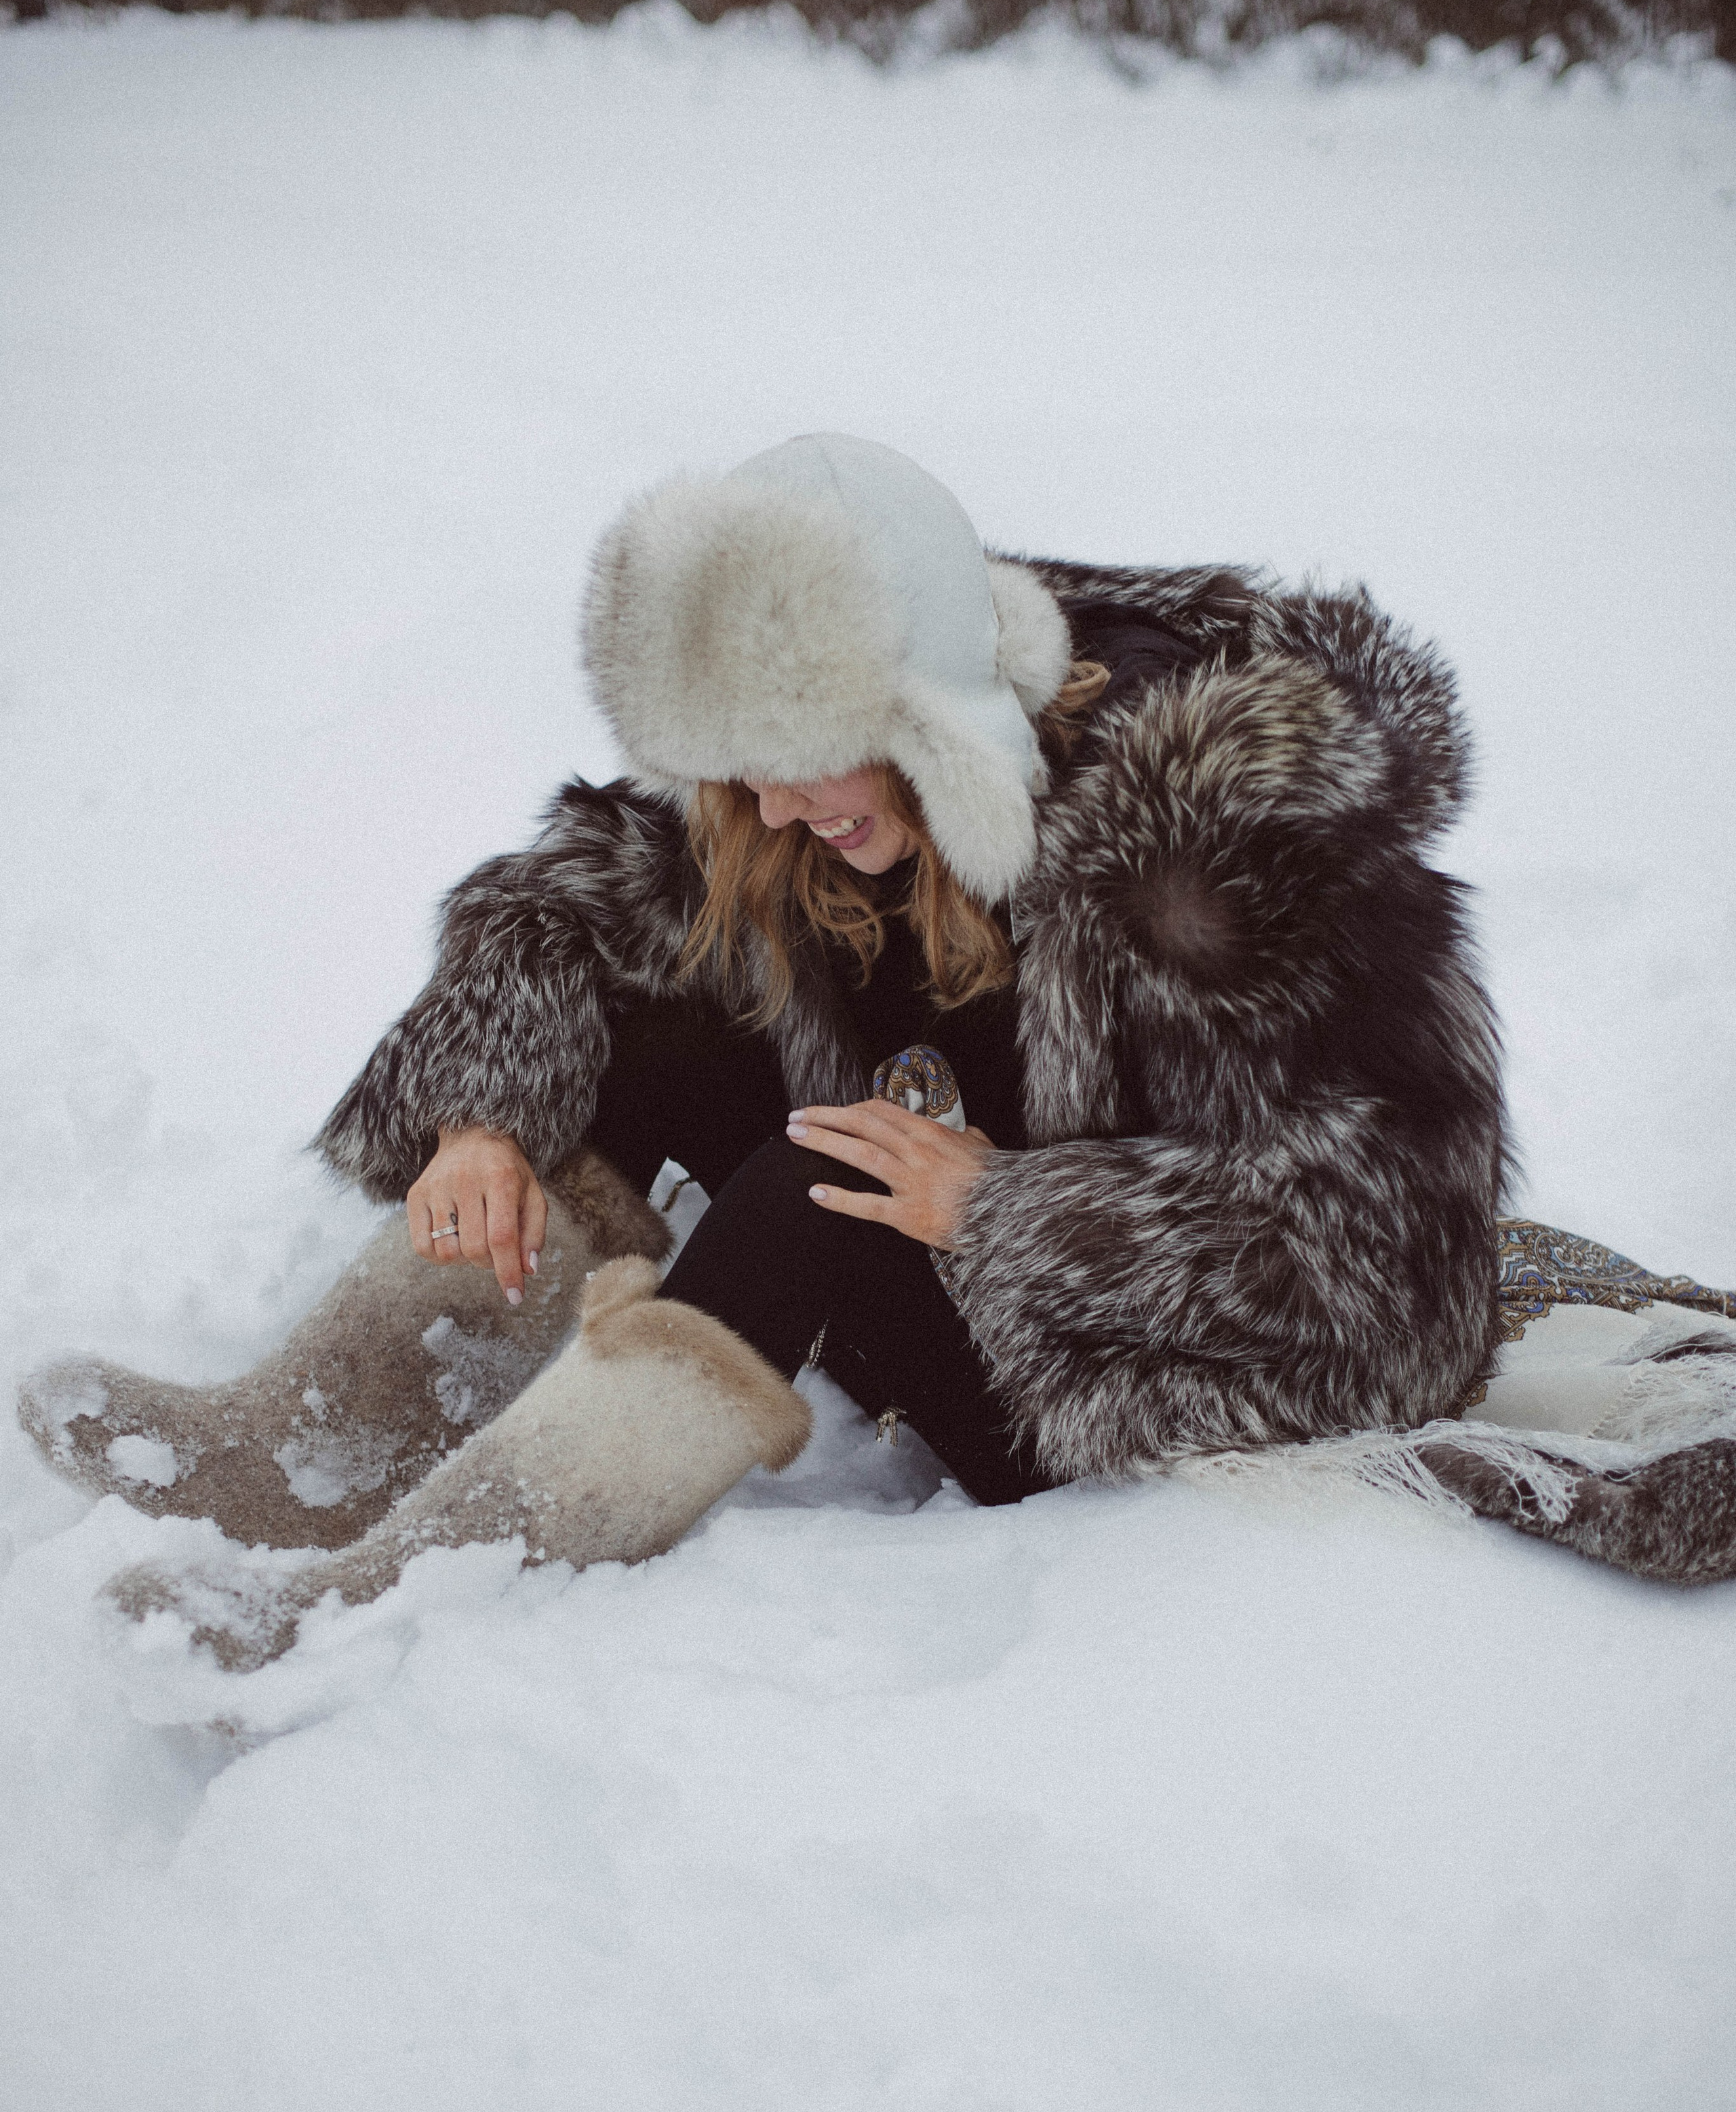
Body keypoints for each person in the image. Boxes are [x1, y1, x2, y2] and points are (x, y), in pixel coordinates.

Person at [23, 433, 1728, 1668]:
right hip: (977, 1222)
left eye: (795, 759)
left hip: (1130, 1368)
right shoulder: (823, 787)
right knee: (623, 1022)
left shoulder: (1227, 867)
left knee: (814, 1184)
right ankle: (315, 1437)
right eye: (739, 766)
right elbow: (566, 900)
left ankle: (418, 1586)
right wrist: (480, 1115)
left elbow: (1392, 1288)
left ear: (924, 705)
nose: (765, 807)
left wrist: (1001, 1213)